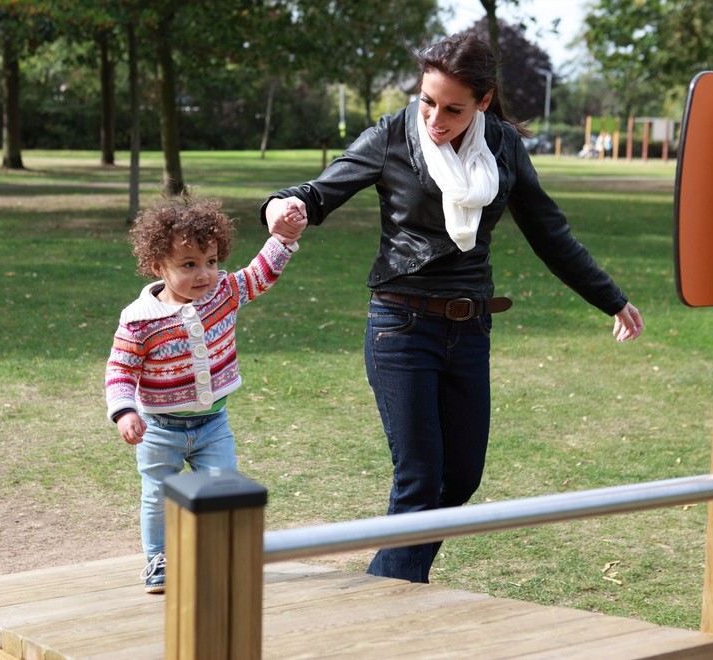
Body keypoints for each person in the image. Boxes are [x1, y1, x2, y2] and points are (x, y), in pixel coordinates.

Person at [262, 31, 644, 584]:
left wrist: (609, 297)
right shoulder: (393, 134)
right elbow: (318, 193)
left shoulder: (505, 147)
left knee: (460, 478)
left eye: (453, 108)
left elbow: (550, 233)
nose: (435, 118)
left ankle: (383, 586)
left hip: (470, 329)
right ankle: (388, 603)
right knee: (419, 480)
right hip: (401, 325)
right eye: (427, 101)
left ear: (483, 102)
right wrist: (284, 205)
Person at [105, 196, 304, 593]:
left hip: (214, 423)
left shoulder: (224, 293)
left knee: (222, 488)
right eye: (189, 265)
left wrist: (281, 238)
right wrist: (125, 411)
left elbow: (258, 275)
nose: (205, 275)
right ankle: (159, 558)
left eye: (211, 261)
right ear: (158, 266)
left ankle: (217, 552)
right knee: (159, 495)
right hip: (160, 428)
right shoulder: (140, 320)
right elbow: (121, 370)